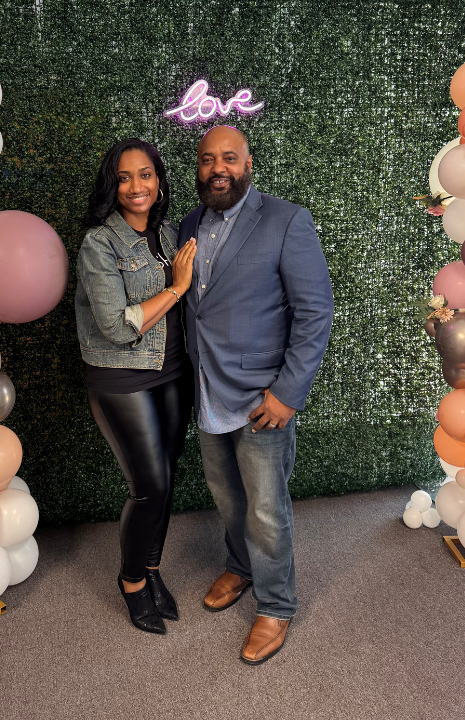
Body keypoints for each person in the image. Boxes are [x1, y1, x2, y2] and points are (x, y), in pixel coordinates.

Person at [181, 125, 333, 664]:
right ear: (197, 168)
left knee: (267, 508)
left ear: (248, 163)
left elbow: (315, 313)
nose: (217, 168)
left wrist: (288, 394)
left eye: (229, 158)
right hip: (206, 389)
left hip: (261, 397)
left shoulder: (287, 220)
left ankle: (276, 604)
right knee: (227, 498)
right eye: (206, 160)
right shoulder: (189, 224)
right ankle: (242, 568)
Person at [74, 138, 198, 635]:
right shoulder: (98, 244)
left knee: (166, 480)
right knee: (148, 486)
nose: (135, 186)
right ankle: (130, 582)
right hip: (122, 377)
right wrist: (176, 288)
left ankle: (151, 568)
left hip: (173, 373)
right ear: (112, 186)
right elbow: (117, 325)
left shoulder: (170, 235)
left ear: (159, 180)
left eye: (144, 175)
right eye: (124, 178)